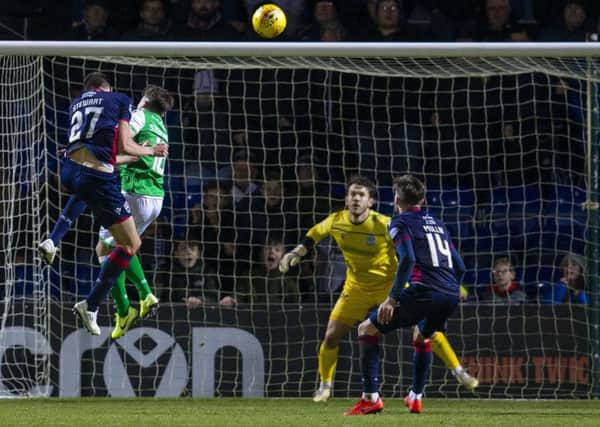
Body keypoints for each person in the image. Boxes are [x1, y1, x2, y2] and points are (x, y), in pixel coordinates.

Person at [279, 175, 477, 403]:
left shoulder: (384, 223)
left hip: (389, 286)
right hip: (356, 289)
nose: (355, 198)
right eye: (352, 194)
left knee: (425, 330)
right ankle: (325, 386)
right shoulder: (336, 221)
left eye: (361, 194)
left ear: (371, 201)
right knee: (331, 335)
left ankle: (459, 372)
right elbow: (314, 234)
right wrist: (296, 252)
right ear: (346, 199)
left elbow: (411, 254)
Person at [39, 84, 174, 339]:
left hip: (134, 191)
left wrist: (82, 151)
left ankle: (130, 302)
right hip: (155, 197)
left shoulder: (139, 114)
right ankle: (132, 303)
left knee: (109, 248)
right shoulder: (161, 125)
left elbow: (121, 146)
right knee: (117, 246)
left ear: (144, 101)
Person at [343, 174, 465, 415]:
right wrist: (450, 292)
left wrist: (392, 298)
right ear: (423, 198)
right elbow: (460, 266)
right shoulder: (438, 223)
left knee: (366, 329)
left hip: (425, 289)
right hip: (450, 293)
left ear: (397, 198)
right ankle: (415, 396)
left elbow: (408, 259)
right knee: (422, 337)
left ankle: (371, 398)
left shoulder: (399, 222)